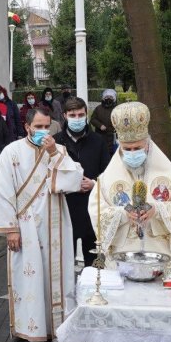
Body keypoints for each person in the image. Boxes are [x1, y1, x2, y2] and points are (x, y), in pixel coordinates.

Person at [0, 106, 83, 342]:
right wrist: (10, 229)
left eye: (46, 126)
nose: (43, 131)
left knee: (57, 273)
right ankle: (32, 329)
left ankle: (58, 329)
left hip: (55, 223)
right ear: (27, 127)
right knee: (30, 276)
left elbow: (73, 181)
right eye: (38, 126)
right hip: (26, 225)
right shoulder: (12, 152)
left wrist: (53, 153)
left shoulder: (59, 150)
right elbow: (2, 191)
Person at [89, 102, 171, 258]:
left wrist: (157, 210)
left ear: (148, 144)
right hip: (122, 254)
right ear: (119, 146)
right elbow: (96, 211)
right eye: (127, 149)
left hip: (159, 251)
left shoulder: (169, 173)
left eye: (137, 148)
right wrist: (123, 213)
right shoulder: (106, 179)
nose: (132, 153)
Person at [54, 97, 112, 267]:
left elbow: (108, 172)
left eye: (81, 114)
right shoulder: (56, 142)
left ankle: (93, 292)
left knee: (94, 264)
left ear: (86, 114)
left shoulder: (97, 141)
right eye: (73, 115)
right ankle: (66, 294)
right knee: (64, 264)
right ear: (65, 115)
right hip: (64, 209)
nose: (77, 119)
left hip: (91, 210)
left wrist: (94, 183)